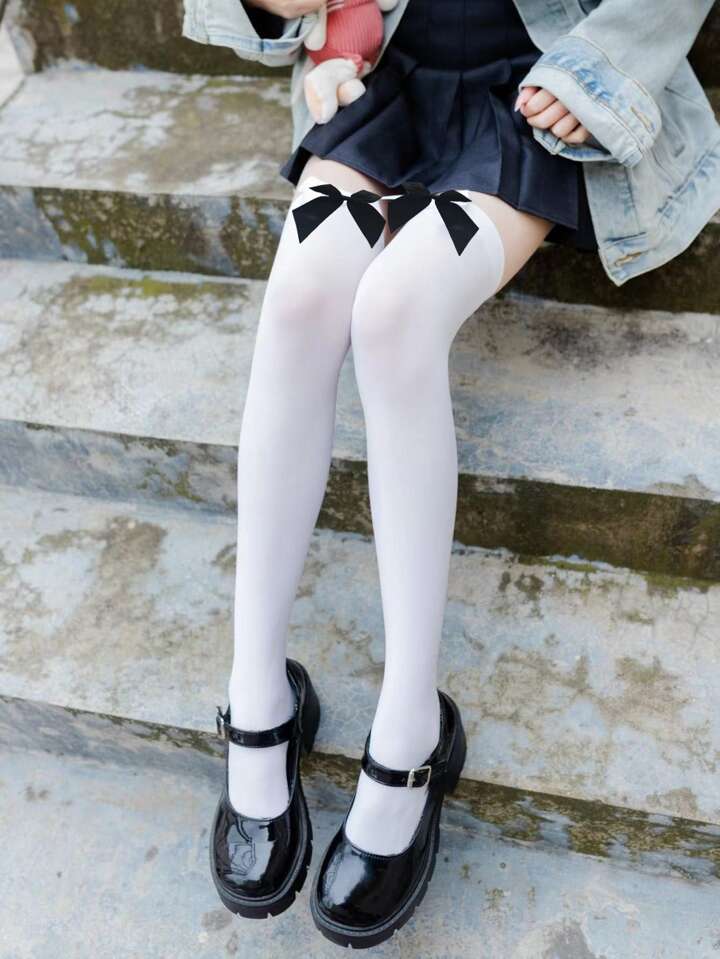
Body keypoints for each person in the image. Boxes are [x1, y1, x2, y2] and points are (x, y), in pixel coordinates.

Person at [184, 0, 720, 947]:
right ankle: (258, 693)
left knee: (394, 312)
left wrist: (600, 69)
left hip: (538, 79)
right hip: (388, 64)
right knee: (301, 295)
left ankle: (410, 727)